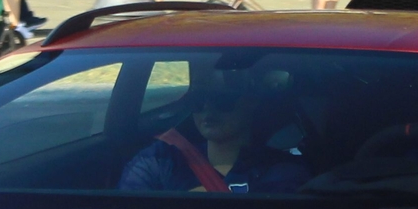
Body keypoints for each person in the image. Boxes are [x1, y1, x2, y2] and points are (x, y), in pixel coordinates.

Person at [118, 77, 309, 194]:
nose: (208, 109)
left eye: (223, 100)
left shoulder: (283, 171)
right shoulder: (159, 160)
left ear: (250, 103)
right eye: (198, 102)